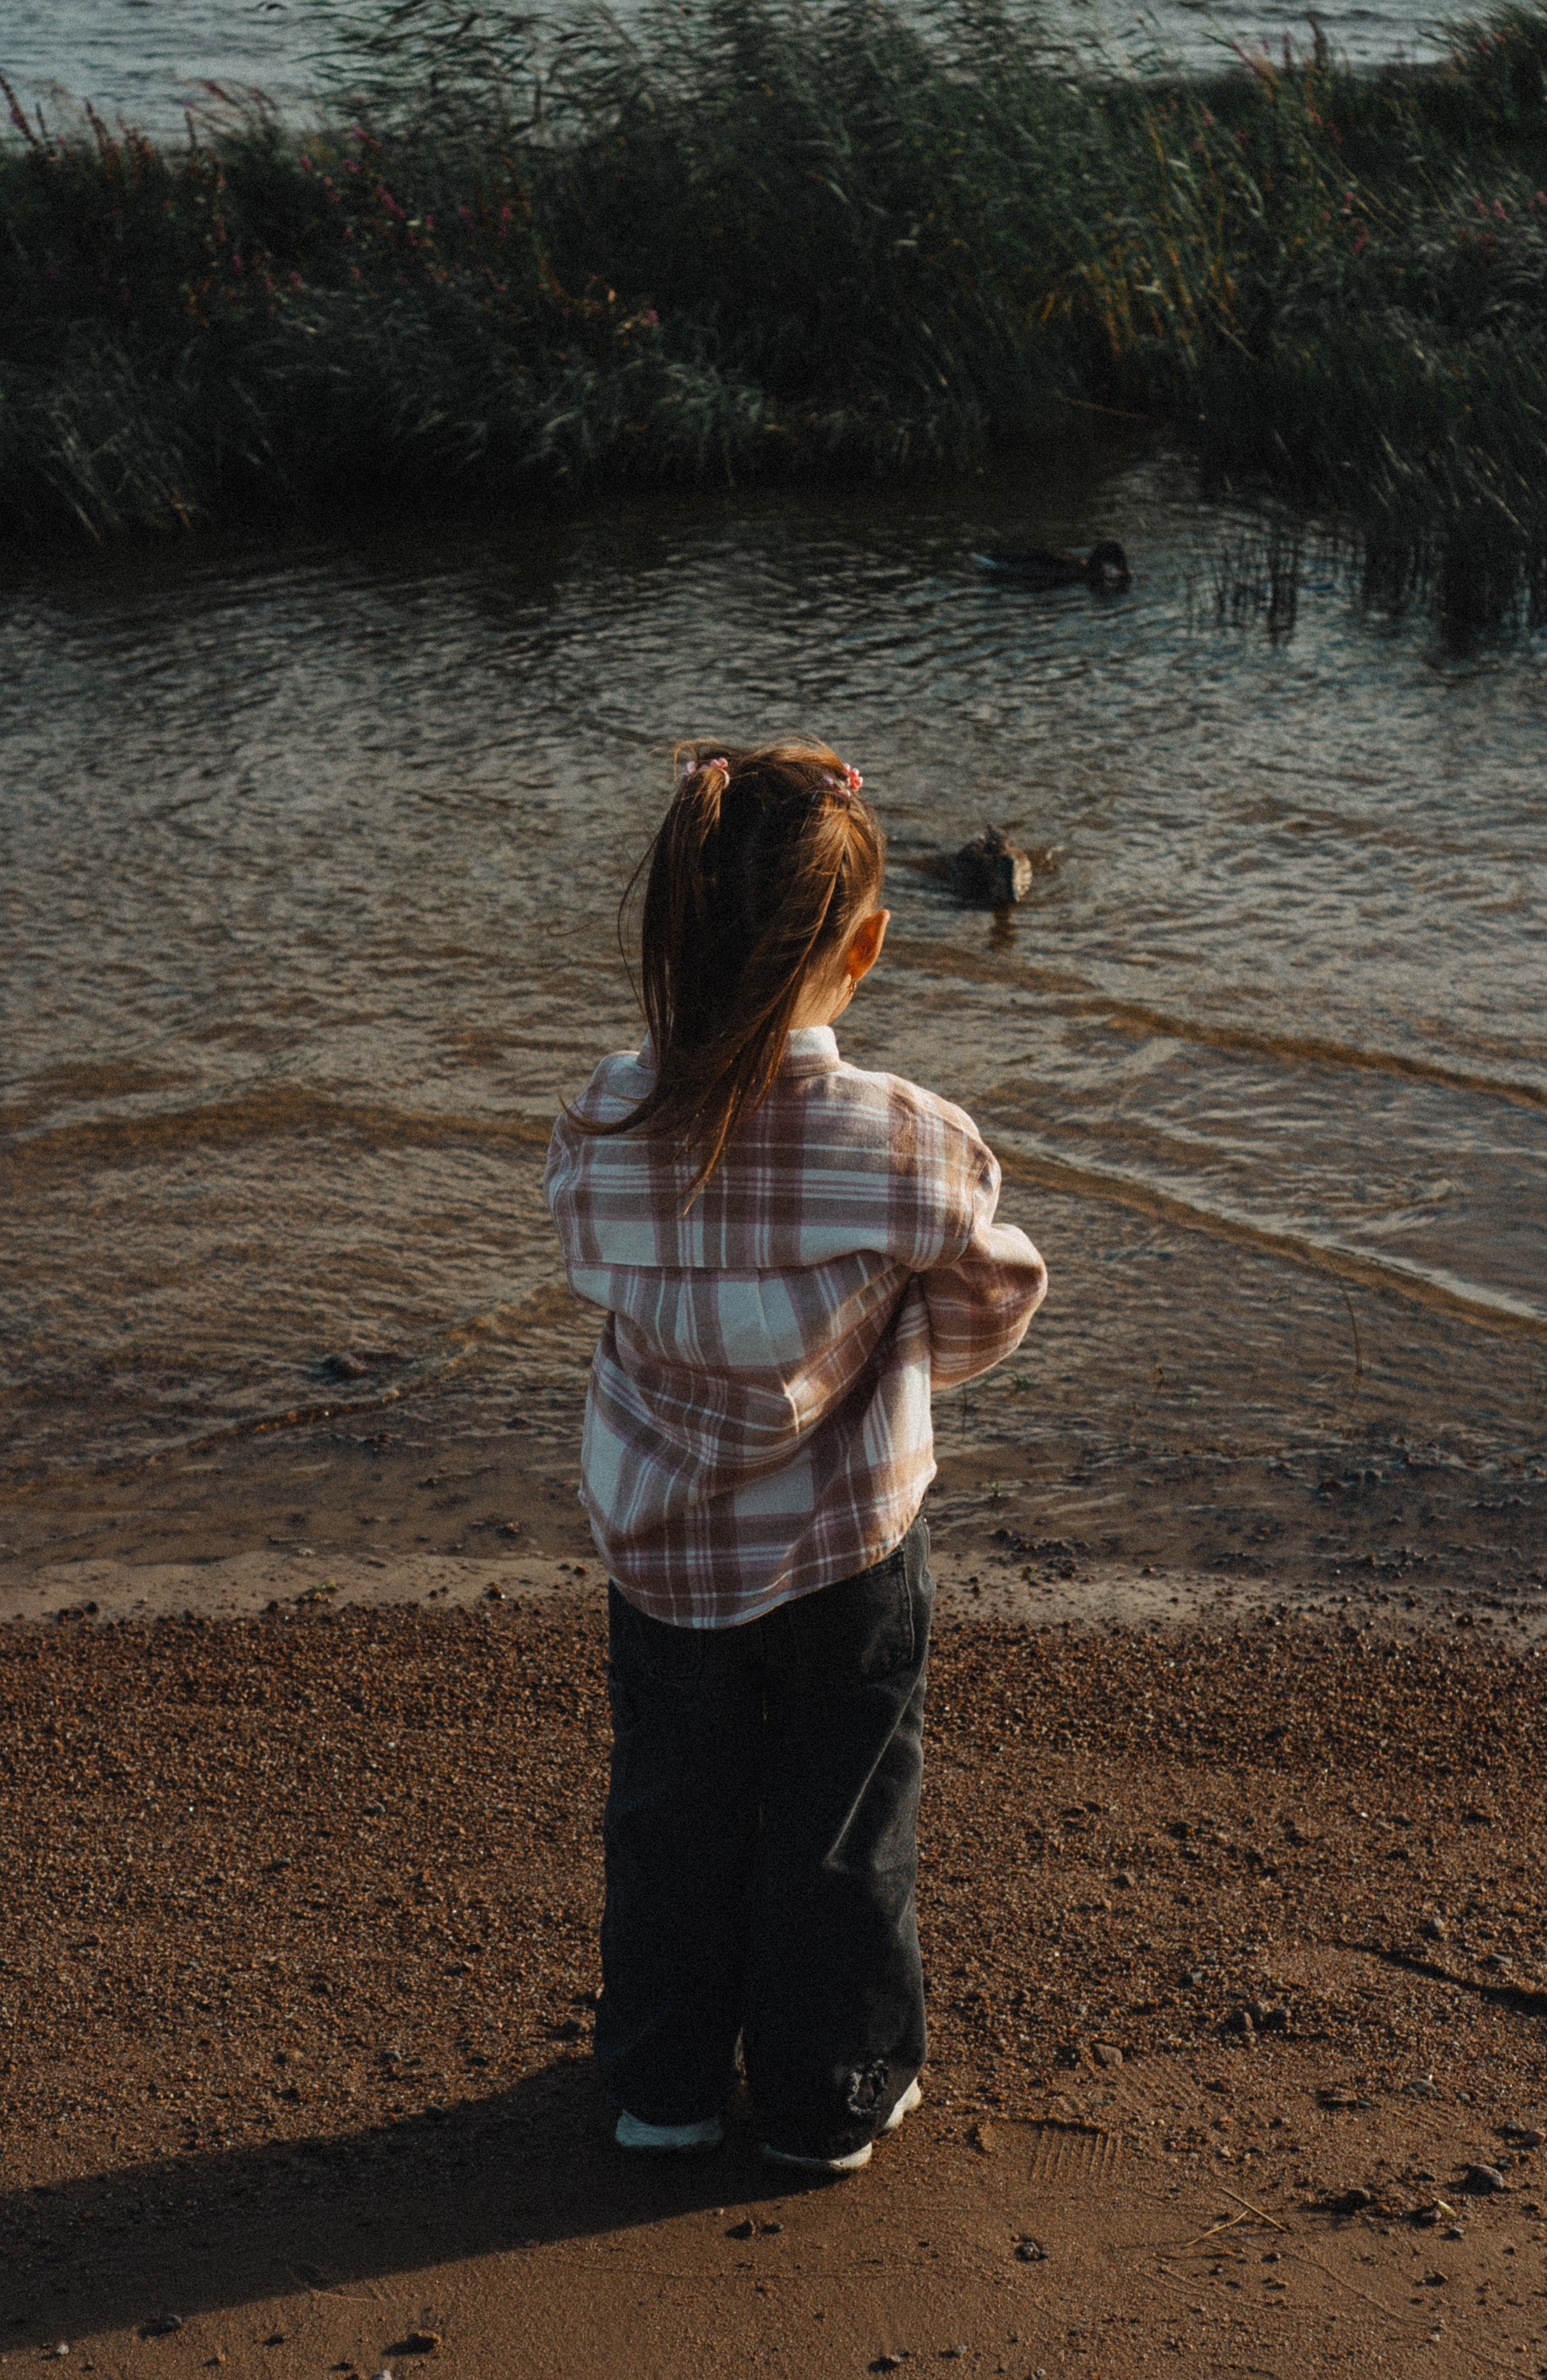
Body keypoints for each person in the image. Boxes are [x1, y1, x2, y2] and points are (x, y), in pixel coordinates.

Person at [545, 736, 1046, 2174]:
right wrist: (885, 1363)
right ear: (867, 946)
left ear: (668, 936)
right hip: (846, 1544)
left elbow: (588, 1248)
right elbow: (995, 1289)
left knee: (670, 1813)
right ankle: (830, 2097)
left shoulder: (603, 1115)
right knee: (839, 1814)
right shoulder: (900, 1138)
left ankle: (663, 2090)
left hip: (660, 1551)